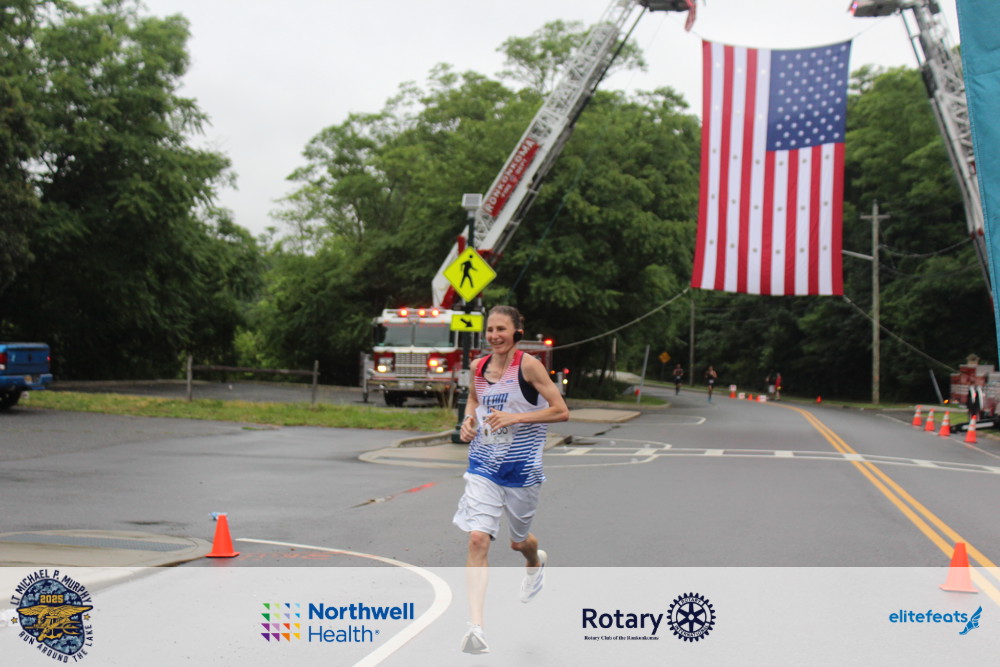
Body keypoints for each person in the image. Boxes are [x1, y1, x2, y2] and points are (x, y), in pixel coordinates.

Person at [454, 305, 569, 654]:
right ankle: (476, 628)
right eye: (490, 330)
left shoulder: (528, 366)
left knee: (519, 543)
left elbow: (561, 411)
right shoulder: (478, 367)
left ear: (517, 332)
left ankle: (535, 562)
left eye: (501, 329)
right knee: (478, 538)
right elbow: (474, 400)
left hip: (522, 472)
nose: (494, 336)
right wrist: (468, 422)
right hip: (484, 466)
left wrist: (516, 418)